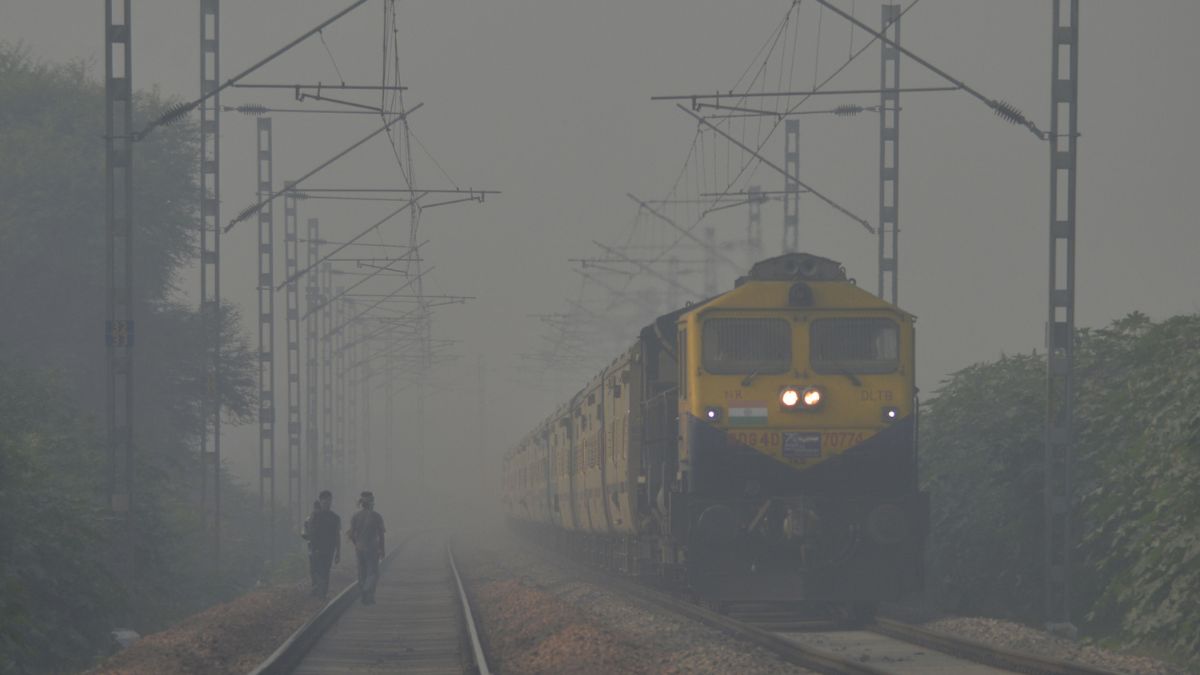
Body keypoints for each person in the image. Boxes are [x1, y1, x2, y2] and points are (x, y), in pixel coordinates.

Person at [348, 491, 386, 605]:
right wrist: (382, 548)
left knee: (362, 573)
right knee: (373, 573)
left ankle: (365, 597)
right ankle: (367, 591)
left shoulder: (355, 516)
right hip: (372, 548)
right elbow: (381, 534)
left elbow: (351, 535)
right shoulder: (377, 516)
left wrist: (357, 544)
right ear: (372, 503)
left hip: (359, 549)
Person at [303, 490, 341, 598]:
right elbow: (308, 531)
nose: (327, 503)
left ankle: (322, 592)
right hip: (315, 549)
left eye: (329, 501)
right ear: (320, 501)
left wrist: (338, 552)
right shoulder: (314, 516)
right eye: (325, 501)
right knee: (315, 571)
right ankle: (317, 590)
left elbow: (337, 536)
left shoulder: (335, 518)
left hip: (329, 549)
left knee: (325, 571)